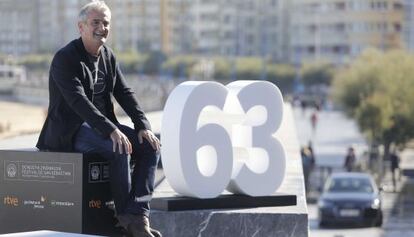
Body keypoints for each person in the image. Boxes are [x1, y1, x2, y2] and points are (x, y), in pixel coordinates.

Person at [36, 1, 161, 237]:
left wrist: (143, 126)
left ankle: (139, 214)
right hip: (70, 131)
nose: (102, 27)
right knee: (119, 146)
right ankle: (126, 217)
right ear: (81, 27)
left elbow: (124, 92)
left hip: (101, 127)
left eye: (106, 23)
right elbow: (78, 102)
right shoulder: (65, 58)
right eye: (96, 22)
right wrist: (110, 130)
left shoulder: (108, 56)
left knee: (151, 147)